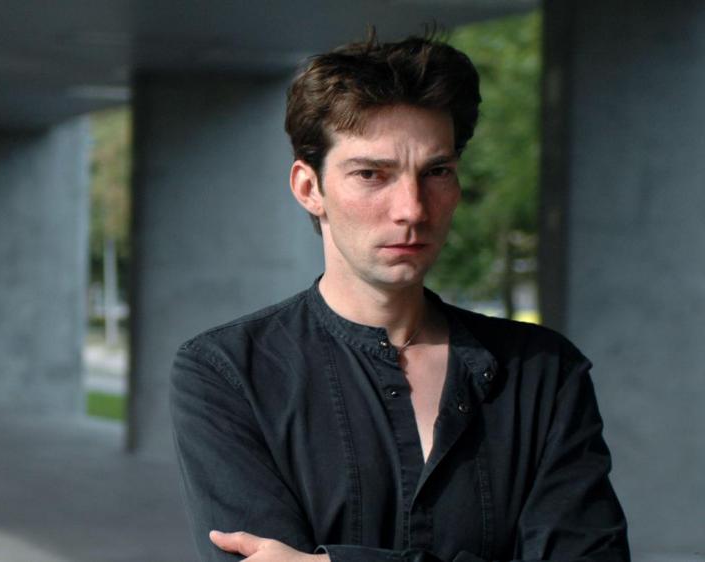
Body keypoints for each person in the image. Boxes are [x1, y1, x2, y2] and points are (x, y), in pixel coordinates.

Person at [169, 32, 629, 562]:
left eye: (436, 172)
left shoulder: (543, 373)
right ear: (309, 188)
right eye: (372, 174)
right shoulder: (228, 373)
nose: (412, 208)